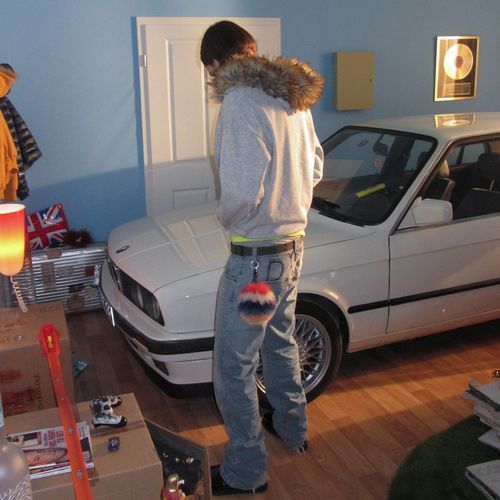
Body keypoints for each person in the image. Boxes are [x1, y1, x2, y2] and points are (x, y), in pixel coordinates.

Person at [200, 20, 324, 496]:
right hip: (291, 250)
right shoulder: (291, 97)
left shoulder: (239, 101)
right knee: (279, 341)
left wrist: (226, 217)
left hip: (256, 263)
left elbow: (240, 192)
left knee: (233, 366)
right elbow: (316, 166)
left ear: (217, 62)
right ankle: (293, 429)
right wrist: (288, 201)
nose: (210, 78)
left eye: (209, 69)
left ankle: (246, 471)